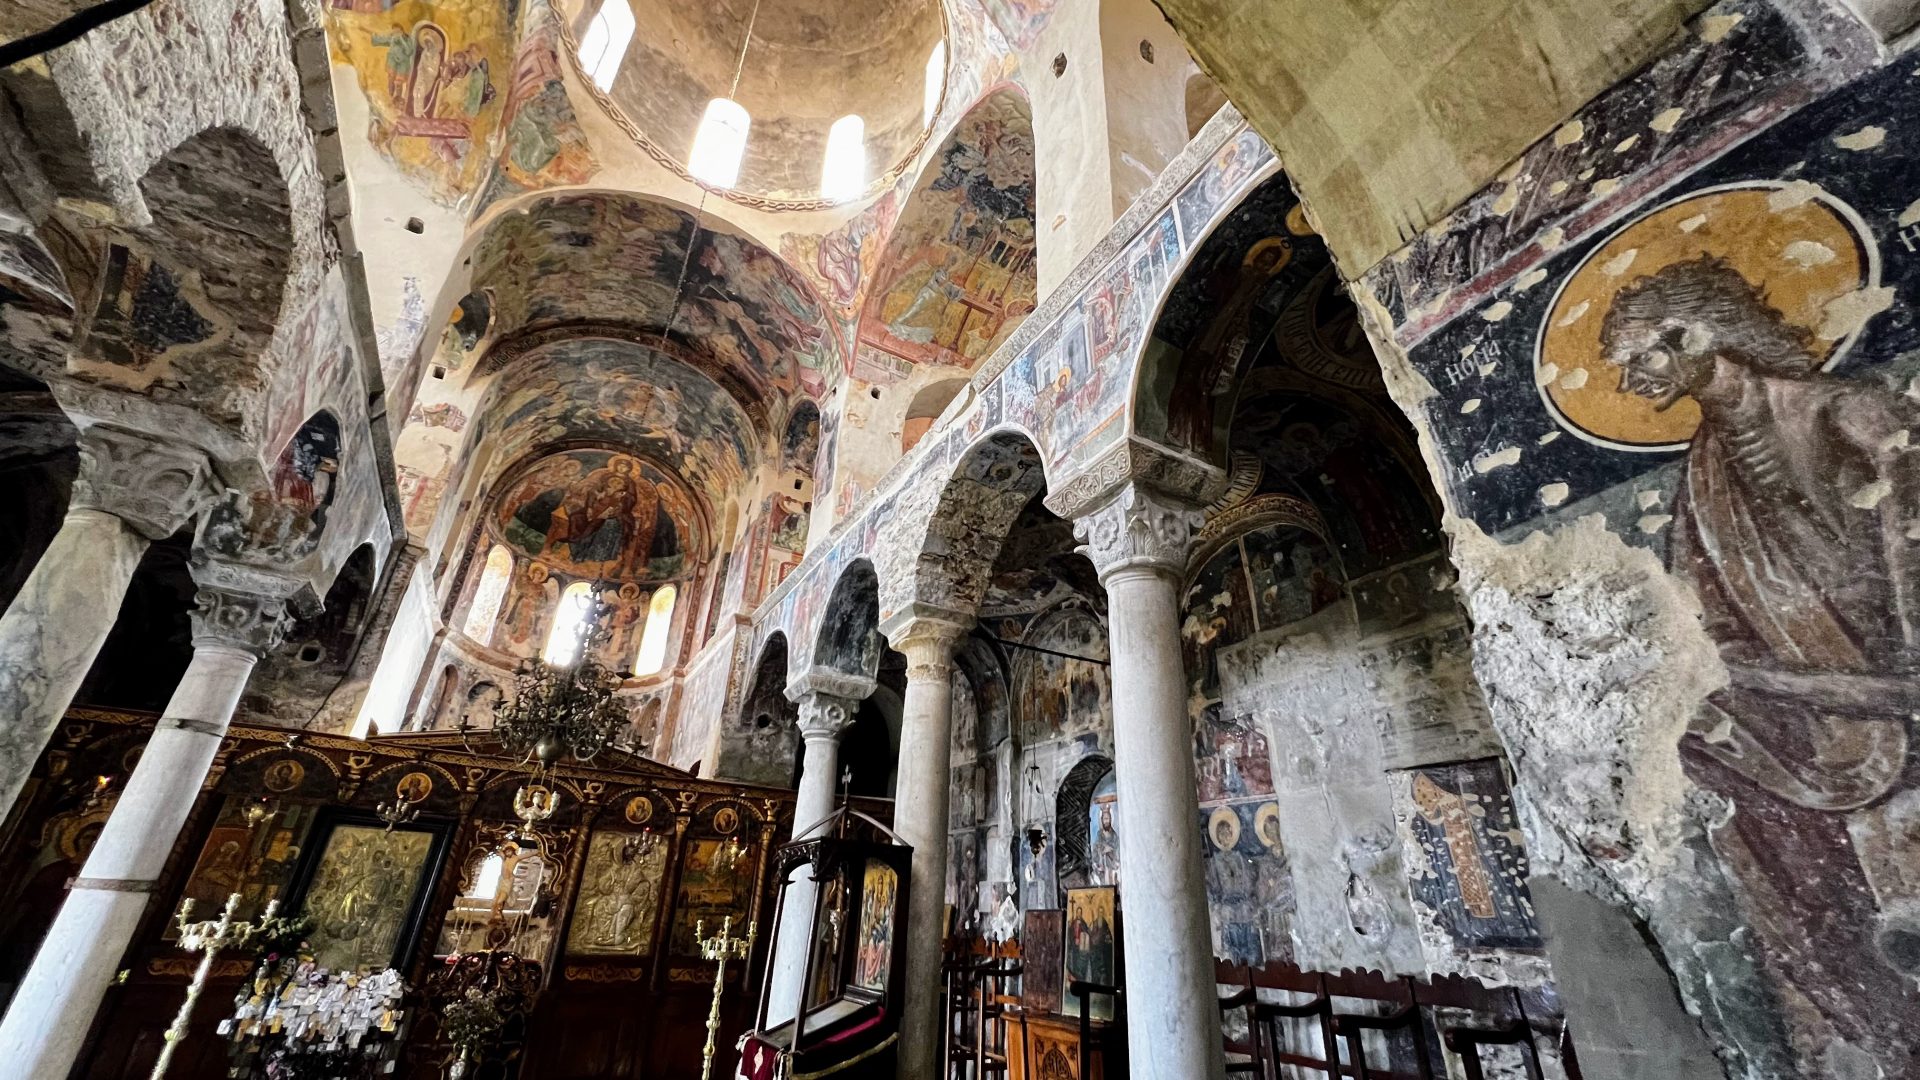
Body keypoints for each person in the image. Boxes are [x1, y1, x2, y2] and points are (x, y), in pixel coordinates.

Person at [1600, 254, 1920, 1063]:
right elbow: (1696, 609)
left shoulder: (1843, 411)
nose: (1631, 378)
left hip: (1878, 673)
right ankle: (1838, 997)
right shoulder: (1701, 470)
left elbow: (1905, 527)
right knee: (1682, 745)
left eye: (1642, 356)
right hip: (1789, 688)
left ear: (1696, 333)